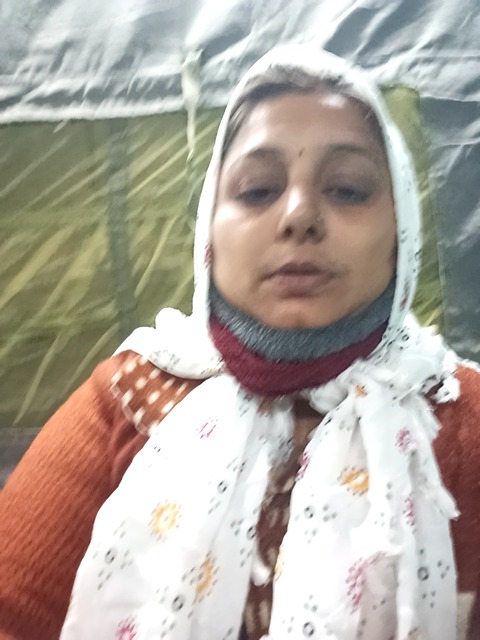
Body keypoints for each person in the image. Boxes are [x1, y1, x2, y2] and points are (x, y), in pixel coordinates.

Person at [1, 46, 480, 640]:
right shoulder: (130, 396)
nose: (299, 215)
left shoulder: (460, 417)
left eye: (348, 189)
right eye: (257, 190)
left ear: (399, 232)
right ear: (209, 232)